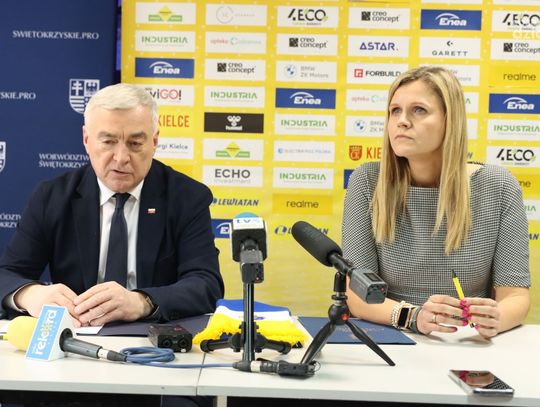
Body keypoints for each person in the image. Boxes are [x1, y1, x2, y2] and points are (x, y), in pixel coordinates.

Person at [0, 83, 224, 328]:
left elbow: (206, 284)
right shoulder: (52, 197)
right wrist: (29, 295)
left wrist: (142, 302)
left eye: (135, 144)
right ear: (86, 139)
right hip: (75, 337)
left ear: (154, 141)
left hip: (155, 339)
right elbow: (6, 275)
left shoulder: (187, 197)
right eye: (108, 142)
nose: (121, 158)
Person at [342, 66, 530, 339]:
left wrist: (496, 318)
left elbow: (515, 295)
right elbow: (357, 294)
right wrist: (413, 317)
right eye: (395, 111)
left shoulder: (498, 186)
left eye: (419, 110)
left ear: (450, 120)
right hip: (392, 334)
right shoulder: (367, 181)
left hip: (466, 341)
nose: (402, 121)